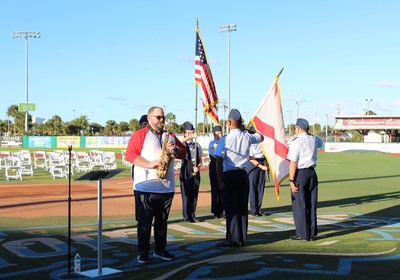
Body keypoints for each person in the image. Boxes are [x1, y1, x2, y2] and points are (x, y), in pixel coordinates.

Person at [125, 106, 186, 264]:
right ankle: (142, 253)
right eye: (158, 117)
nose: (161, 120)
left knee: (162, 221)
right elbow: (130, 155)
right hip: (145, 186)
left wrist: (176, 149)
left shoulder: (170, 135)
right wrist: (149, 164)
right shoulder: (140, 134)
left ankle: (160, 250)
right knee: (144, 222)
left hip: (166, 186)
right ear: (149, 118)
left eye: (163, 118)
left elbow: (183, 153)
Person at [215, 109, 264, 247]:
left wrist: (219, 181)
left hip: (229, 175)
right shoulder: (246, 136)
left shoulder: (226, 139)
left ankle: (232, 239)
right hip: (243, 174)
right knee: (242, 207)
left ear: (229, 122)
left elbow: (219, 160)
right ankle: (242, 238)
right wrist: (247, 129)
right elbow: (261, 137)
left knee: (231, 209)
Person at [286, 118, 323, 241]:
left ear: (298, 128)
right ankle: (311, 232)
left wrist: (291, 180)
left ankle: (302, 233)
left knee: (299, 204)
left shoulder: (296, 142)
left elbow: (293, 163)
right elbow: (321, 142)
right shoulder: (313, 139)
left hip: (300, 174)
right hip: (312, 173)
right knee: (311, 203)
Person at [179, 122, 204, 223]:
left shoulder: (197, 145)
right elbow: (180, 142)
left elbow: (200, 158)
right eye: (188, 132)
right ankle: (186, 215)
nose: (190, 134)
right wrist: (190, 137)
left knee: (194, 192)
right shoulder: (183, 143)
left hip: (195, 169)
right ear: (185, 133)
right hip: (186, 168)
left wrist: (198, 167)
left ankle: (193, 214)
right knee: (186, 193)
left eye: (192, 132)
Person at [246, 142, 269, 216]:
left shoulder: (263, 143)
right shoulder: (250, 144)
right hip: (253, 164)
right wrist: (261, 166)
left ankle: (259, 209)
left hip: (262, 161)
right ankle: (254, 210)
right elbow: (251, 158)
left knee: (260, 187)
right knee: (253, 188)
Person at [208, 125, 224, 219]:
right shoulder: (212, 143)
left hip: (223, 166)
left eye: (219, 133)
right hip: (214, 165)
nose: (218, 135)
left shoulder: (224, 142)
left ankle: (222, 210)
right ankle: (215, 211)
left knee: (222, 188)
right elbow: (214, 153)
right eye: (216, 133)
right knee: (215, 189)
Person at [131, 114, 149, 180]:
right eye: (145, 124)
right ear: (140, 124)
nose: (147, 126)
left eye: (148, 124)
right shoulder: (136, 136)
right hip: (139, 166)